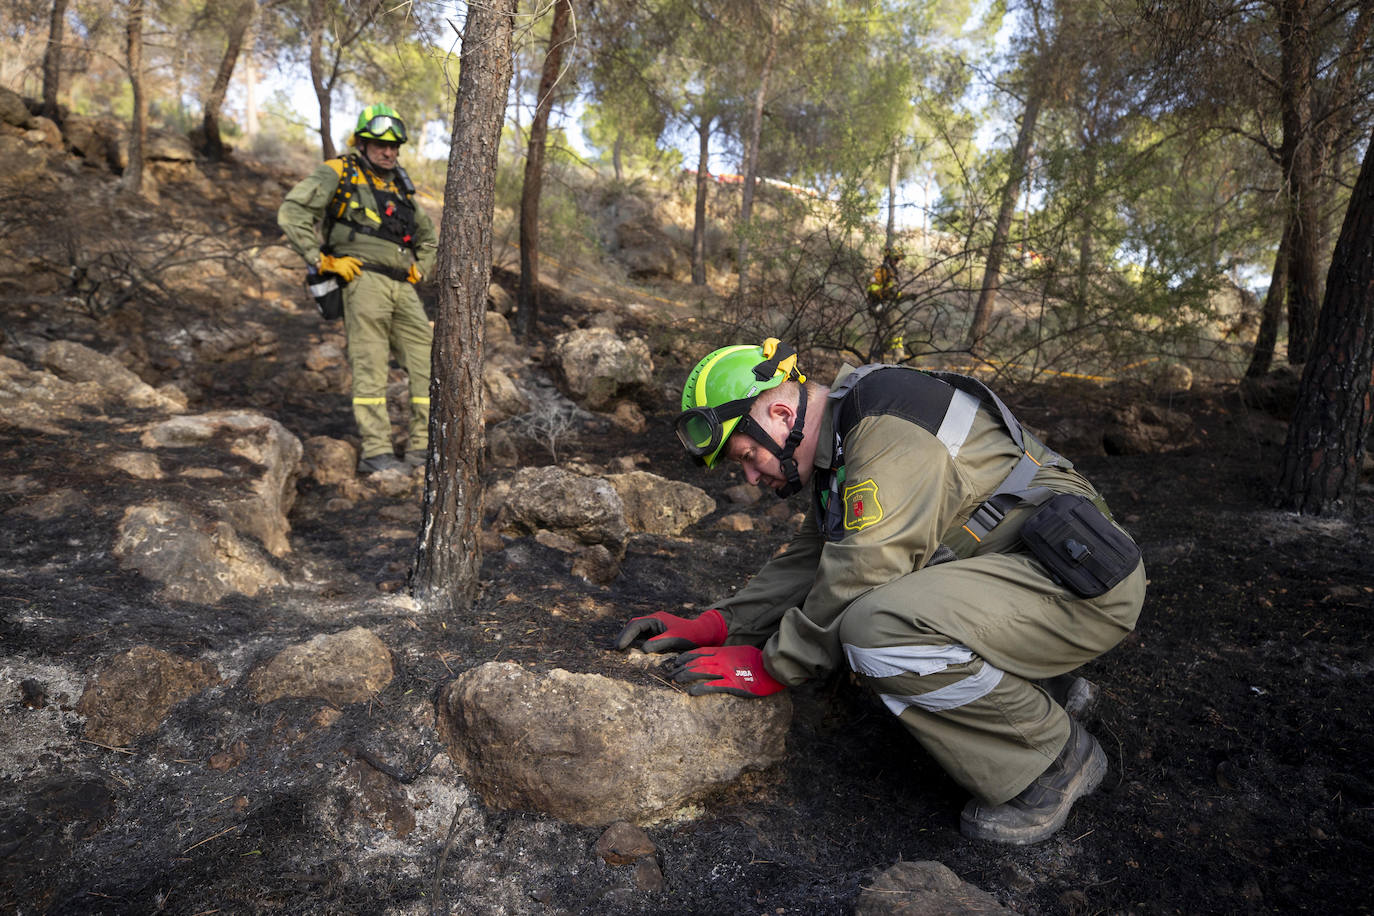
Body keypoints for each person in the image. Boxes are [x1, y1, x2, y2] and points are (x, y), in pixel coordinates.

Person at [615, 339, 1146, 845]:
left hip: (1077, 585)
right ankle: (1038, 692)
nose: (752, 477)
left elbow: (861, 571)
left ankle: (1051, 759)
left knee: (879, 628)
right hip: (1025, 573)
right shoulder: (848, 431)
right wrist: (718, 624)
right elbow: (815, 555)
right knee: (883, 611)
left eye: (749, 455)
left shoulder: (884, 430)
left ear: (778, 416)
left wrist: (773, 666)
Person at [278, 103, 438, 474]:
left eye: (395, 146)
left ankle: (421, 448)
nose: (389, 152)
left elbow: (428, 238)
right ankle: (377, 452)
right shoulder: (339, 171)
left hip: (403, 286)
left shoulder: (401, 184)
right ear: (361, 143)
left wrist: (422, 268)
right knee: (370, 364)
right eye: (380, 144)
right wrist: (321, 259)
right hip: (362, 281)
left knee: (426, 363)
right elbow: (292, 211)